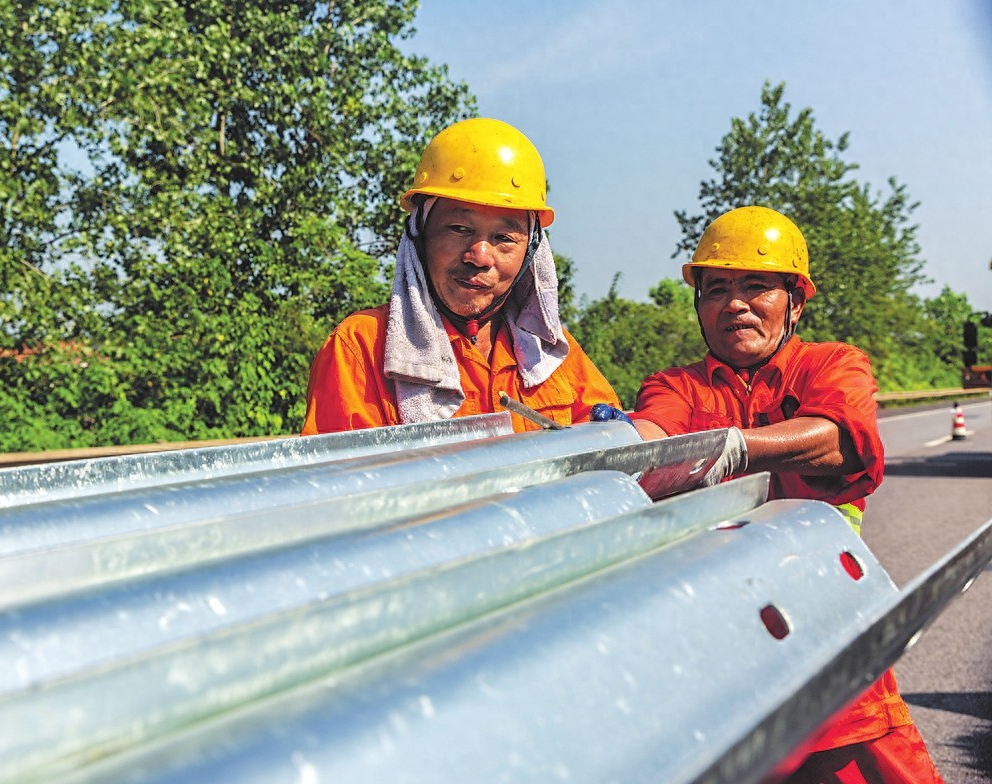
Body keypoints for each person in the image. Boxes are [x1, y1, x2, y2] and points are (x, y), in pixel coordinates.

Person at [613, 205, 942, 783]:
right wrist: (616, 443)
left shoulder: (833, 364)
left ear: (795, 301)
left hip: (829, 634)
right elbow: (654, 431)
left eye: (755, 286)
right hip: (720, 643)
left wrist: (735, 447)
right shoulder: (674, 386)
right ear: (699, 306)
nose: (734, 303)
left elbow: (837, 441)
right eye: (716, 289)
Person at [301, 117, 620, 435]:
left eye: (504, 238)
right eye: (459, 229)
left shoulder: (549, 355)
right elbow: (345, 481)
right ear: (420, 235)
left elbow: (610, 457)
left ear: (531, 250)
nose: (480, 257)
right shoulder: (362, 349)